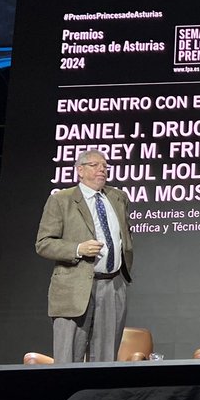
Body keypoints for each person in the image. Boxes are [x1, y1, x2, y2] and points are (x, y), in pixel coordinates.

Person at [35, 148, 134, 363]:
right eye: (95, 165)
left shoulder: (118, 197)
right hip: (74, 287)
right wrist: (78, 249)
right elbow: (43, 244)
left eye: (105, 166)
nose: (102, 170)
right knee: (68, 357)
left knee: (106, 359)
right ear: (80, 170)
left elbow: (124, 236)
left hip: (112, 285)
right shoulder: (62, 200)